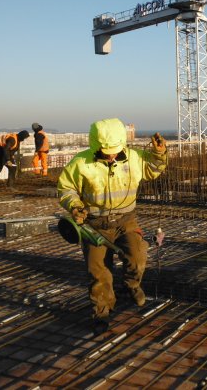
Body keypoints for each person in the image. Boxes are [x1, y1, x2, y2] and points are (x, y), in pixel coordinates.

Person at [57, 118, 168, 334]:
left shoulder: (134, 158)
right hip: (95, 224)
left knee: (136, 257)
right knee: (98, 271)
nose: (111, 155)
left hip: (126, 220)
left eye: (115, 151)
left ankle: (132, 285)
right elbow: (66, 188)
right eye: (106, 151)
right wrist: (75, 206)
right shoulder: (81, 163)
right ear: (95, 144)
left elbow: (153, 170)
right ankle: (102, 311)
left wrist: (159, 153)